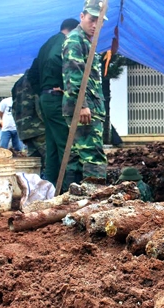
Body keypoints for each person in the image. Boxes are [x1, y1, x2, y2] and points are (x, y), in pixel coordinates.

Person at [61, 0, 107, 191]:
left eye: (99, 21)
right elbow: (74, 76)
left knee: (76, 158)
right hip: (84, 109)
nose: (95, 24)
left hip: (88, 107)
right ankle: (94, 199)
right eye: (91, 19)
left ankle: (70, 201)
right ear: (82, 17)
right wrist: (82, 105)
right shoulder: (75, 41)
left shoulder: (86, 41)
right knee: (93, 156)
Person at [28, 18, 79, 185]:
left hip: (46, 97)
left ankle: (50, 186)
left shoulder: (46, 44)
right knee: (67, 145)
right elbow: (55, 60)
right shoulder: (62, 42)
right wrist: (63, 85)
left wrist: (42, 91)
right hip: (56, 98)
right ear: (73, 30)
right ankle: (67, 189)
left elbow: (32, 74)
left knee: (52, 146)